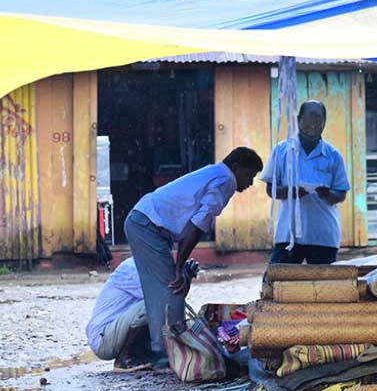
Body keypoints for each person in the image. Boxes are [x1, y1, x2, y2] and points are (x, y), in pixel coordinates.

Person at [124, 147, 263, 368]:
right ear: (237, 167)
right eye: (250, 175)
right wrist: (179, 267)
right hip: (146, 225)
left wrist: (179, 266)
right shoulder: (226, 179)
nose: (250, 182)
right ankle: (167, 352)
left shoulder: (216, 173)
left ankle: (159, 349)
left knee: (161, 291)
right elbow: (196, 228)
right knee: (173, 288)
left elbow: (194, 227)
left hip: (143, 221)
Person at [262, 100, 349, 265]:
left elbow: (341, 194)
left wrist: (328, 194)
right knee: (278, 283)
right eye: (310, 118)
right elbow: (270, 189)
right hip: (288, 234)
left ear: (325, 122)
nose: (314, 124)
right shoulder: (281, 151)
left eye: (319, 120)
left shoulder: (333, 155)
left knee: (323, 287)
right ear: (298, 119)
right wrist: (289, 192)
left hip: (323, 235)